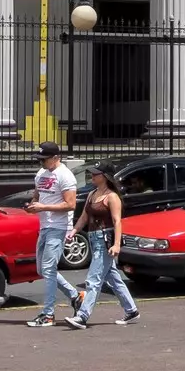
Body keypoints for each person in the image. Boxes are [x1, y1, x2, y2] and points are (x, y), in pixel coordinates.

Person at [64, 166, 138, 329]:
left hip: (105, 241)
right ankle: (131, 310)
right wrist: (74, 231)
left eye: (95, 174)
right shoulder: (92, 194)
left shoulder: (112, 197)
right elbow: (84, 216)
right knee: (112, 277)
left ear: (104, 176)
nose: (92, 176)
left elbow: (117, 221)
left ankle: (82, 316)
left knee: (93, 280)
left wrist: (117, 244)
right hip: (93, 238)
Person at [24, 141, 79, 328]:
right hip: (44, 225)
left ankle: (48, 314)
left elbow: (70, 204)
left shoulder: (65, 176)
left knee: (48, 269)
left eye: (44, 159)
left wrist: (43, 207)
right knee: (42, 270)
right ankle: (75, 295)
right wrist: (32, 206)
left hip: (58, 226)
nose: (41, 163)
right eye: (39, 160)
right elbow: (37, 196)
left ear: (56, 158)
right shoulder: (41, 173)